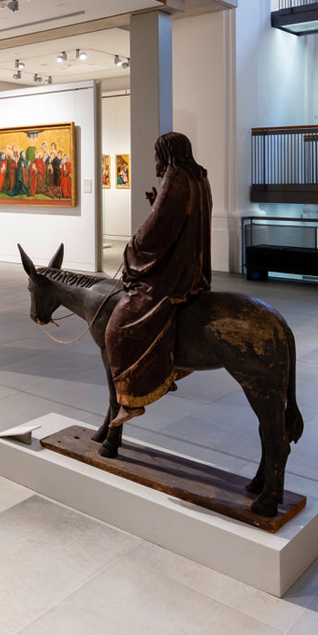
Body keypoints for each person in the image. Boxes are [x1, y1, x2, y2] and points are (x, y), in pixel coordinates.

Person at [105, 132, 212, 425]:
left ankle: (131, 399)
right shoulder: (198, 176)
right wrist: (158, 205)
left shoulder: (175, 177)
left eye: (156, 155)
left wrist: (133, 247)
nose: (154, 161)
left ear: (166, 154)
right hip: (193, 269)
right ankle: (165, 371)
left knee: (120, 324)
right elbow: (177, 219)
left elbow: (155, 230)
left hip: (173, 274)